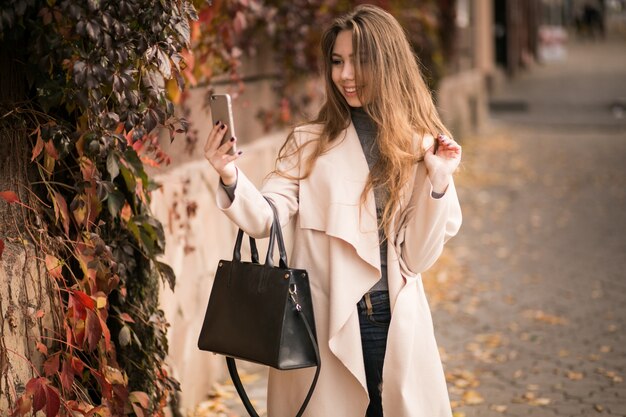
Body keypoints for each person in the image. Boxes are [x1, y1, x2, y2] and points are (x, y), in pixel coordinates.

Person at [204, 4, 462, 417]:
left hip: (393, 322)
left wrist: (439, 181)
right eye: (337, 62)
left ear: (388, 63)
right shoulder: (310, 143)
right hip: (324, 321)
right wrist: (230, 175)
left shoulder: (421, 146)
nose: (344, 75)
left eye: (359, 62)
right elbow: (265, 218)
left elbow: (417, 258)